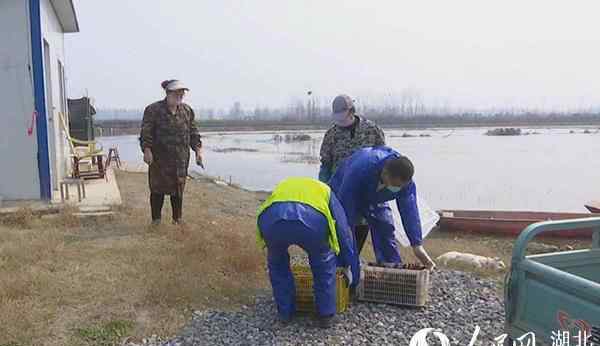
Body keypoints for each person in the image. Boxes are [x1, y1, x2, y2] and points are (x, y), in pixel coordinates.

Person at [256, 177, 360, 328]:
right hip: (311, 222)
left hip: (272, 221)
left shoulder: (285, 184)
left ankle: (285, 313)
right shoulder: (327, 191)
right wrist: (354, 277)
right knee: (323, 264)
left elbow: (269, 205)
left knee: (278, 264)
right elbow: (344, 233)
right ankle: (325, 315)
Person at [328, 146, 436, 269]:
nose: (397, 189)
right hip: (345, 191)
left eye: (400, 186)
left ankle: (390, 269)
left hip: (376, 198)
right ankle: (342, 270)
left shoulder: (405, 182)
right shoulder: (360, 168)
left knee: (385, 226)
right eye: (395, 185)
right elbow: (345, 213)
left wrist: (417, 245)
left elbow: (409, 211)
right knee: (344, 234)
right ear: (385, 173)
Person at [319, 94, 386, 255]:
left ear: (352, 112)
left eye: (342, 116)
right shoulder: (331, 135)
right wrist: (323, 190)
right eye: (337, 117)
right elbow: (325, 165)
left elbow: (383, 159)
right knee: (341, 228)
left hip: (366, 191)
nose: (340, 121)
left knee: (362, 226)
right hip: (339, 191)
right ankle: (343, 266)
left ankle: (353, 261)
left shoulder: (372, 130)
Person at [139, 79, 203, 225]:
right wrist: (147, 150)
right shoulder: (153, 110)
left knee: (178, 189)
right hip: (159, 160)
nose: (180, 96)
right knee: (157, 189)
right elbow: (146, 132)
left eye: (182, 94)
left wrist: (198, 151)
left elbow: (193, 133)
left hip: (180, 160)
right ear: (168, 93)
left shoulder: (187, 111)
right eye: (177, 93)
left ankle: (177, 219)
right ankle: (156, 220)